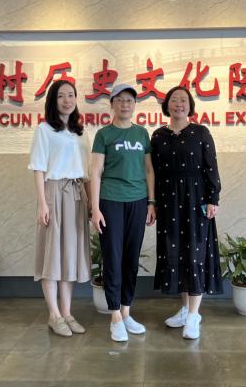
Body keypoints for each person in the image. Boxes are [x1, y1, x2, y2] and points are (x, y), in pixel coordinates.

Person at [150, 86, 223, 339]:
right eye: (174, 100)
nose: (178, 104)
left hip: (196, 200)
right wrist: (152, 202)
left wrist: (213, 198)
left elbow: (211, 167)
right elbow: (153, 173)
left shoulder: (201, 132)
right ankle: (184, 309)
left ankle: (193, 315)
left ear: (190, 106)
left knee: (195, 254)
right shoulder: (158, 135)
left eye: (183, 100)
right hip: (168, 202)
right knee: (177, 255)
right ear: (167, 106)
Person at [90, 83, 156, 342]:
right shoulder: (104, 135)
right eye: (120, 100)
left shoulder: (142, 134)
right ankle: (115, 315)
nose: (125, 104)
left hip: (138, 201)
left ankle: (126, 312)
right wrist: (95, 209)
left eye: (129, 100)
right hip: (111, 201)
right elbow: (96, 172)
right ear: (112, 104)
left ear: (134, 105)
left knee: (130, 258)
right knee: (113, 257)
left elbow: (149, 170)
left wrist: (151, 202)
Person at [29, 80, 91, 337]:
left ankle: (67, 312)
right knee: (52, 254)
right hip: (54, 192)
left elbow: (87, 173)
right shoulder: (44, 130)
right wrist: (42, 204)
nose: (67, 100)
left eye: (71, 95)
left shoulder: (81, 132)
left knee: (69, 255)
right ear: (53, 101)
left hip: (77, 195)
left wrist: (91, 203)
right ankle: (54, 315)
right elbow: (38, 168)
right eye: (61, 96)